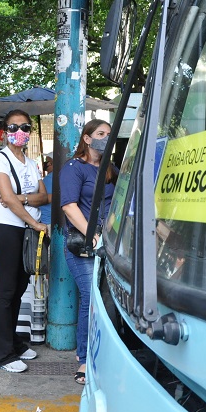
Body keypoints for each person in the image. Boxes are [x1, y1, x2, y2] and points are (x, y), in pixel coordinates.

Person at [0, 110, 48, 373]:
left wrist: (23, 198)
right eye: (13, 127)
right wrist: (34, 221)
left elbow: (44, 196)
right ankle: (0, 355)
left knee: (20, 289)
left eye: (24, 127)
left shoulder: (33, 163)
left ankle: (13, 342)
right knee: (5, 292)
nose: (19, 131)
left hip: (28, 233)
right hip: (9, 231)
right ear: (5, 131)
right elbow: (6, 199)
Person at [60, 119, 117, 385]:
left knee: (105, 299)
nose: (106, 137)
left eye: (108, 133)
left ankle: (101, 354)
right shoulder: (74, 168)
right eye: (100, 133)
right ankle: (84, 359)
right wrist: (92, 237)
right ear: (87, 138)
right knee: (91, 297)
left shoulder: (110, 170)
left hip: (108, 244)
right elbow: (69, 207)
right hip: (82, 245)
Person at [39, 153, 54, 226]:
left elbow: (44, 197)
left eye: (46, 161)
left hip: (47, 220)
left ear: (50, 164)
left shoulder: (49, 179)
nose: (44, 163)